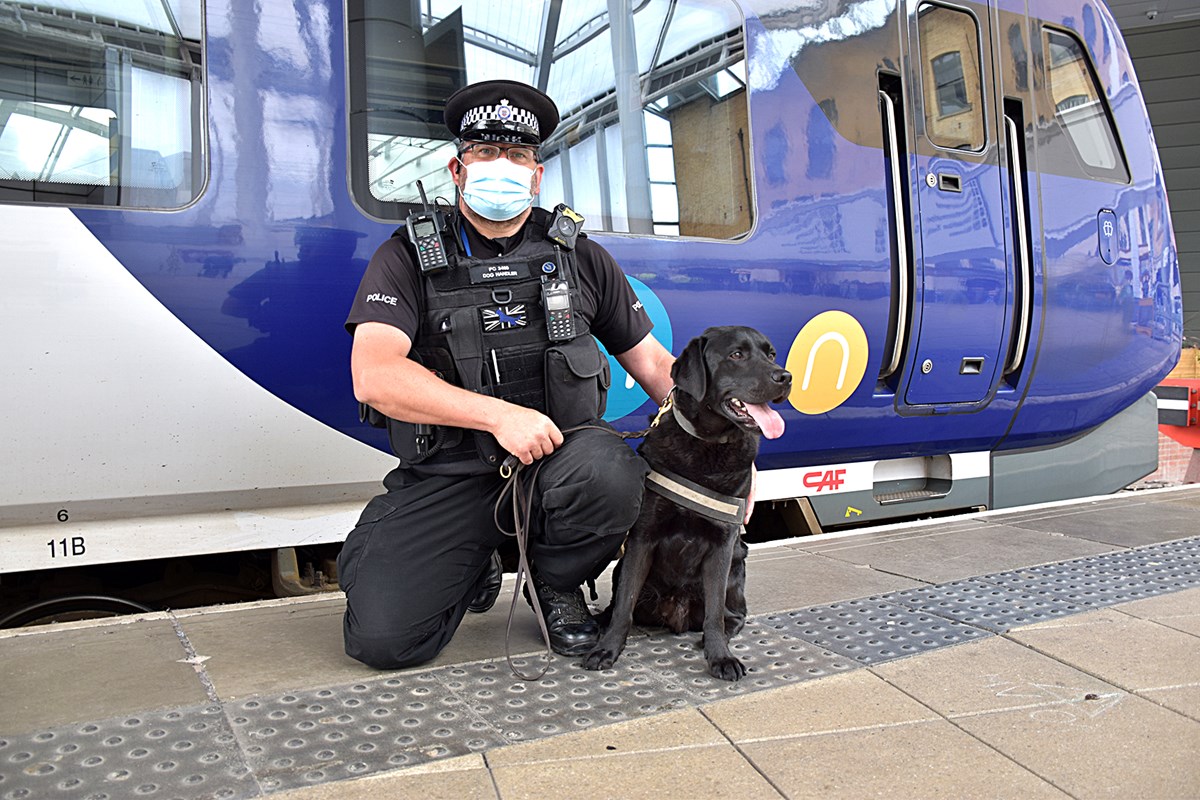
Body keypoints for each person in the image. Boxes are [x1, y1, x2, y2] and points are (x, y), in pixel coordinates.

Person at [339, 80, 675, 669]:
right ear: (458, 168)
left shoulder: (580, 256)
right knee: (384, 642)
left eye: (519, 155)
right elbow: (374, 375)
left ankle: (557, 583)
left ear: (537, 175)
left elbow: (654, 367)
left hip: (562, 464)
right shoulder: (406, 257)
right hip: (451, 472)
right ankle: (474, 562)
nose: (504, 166)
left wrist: (729, 454)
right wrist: (498, 415)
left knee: (613, 471)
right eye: (487, 152)